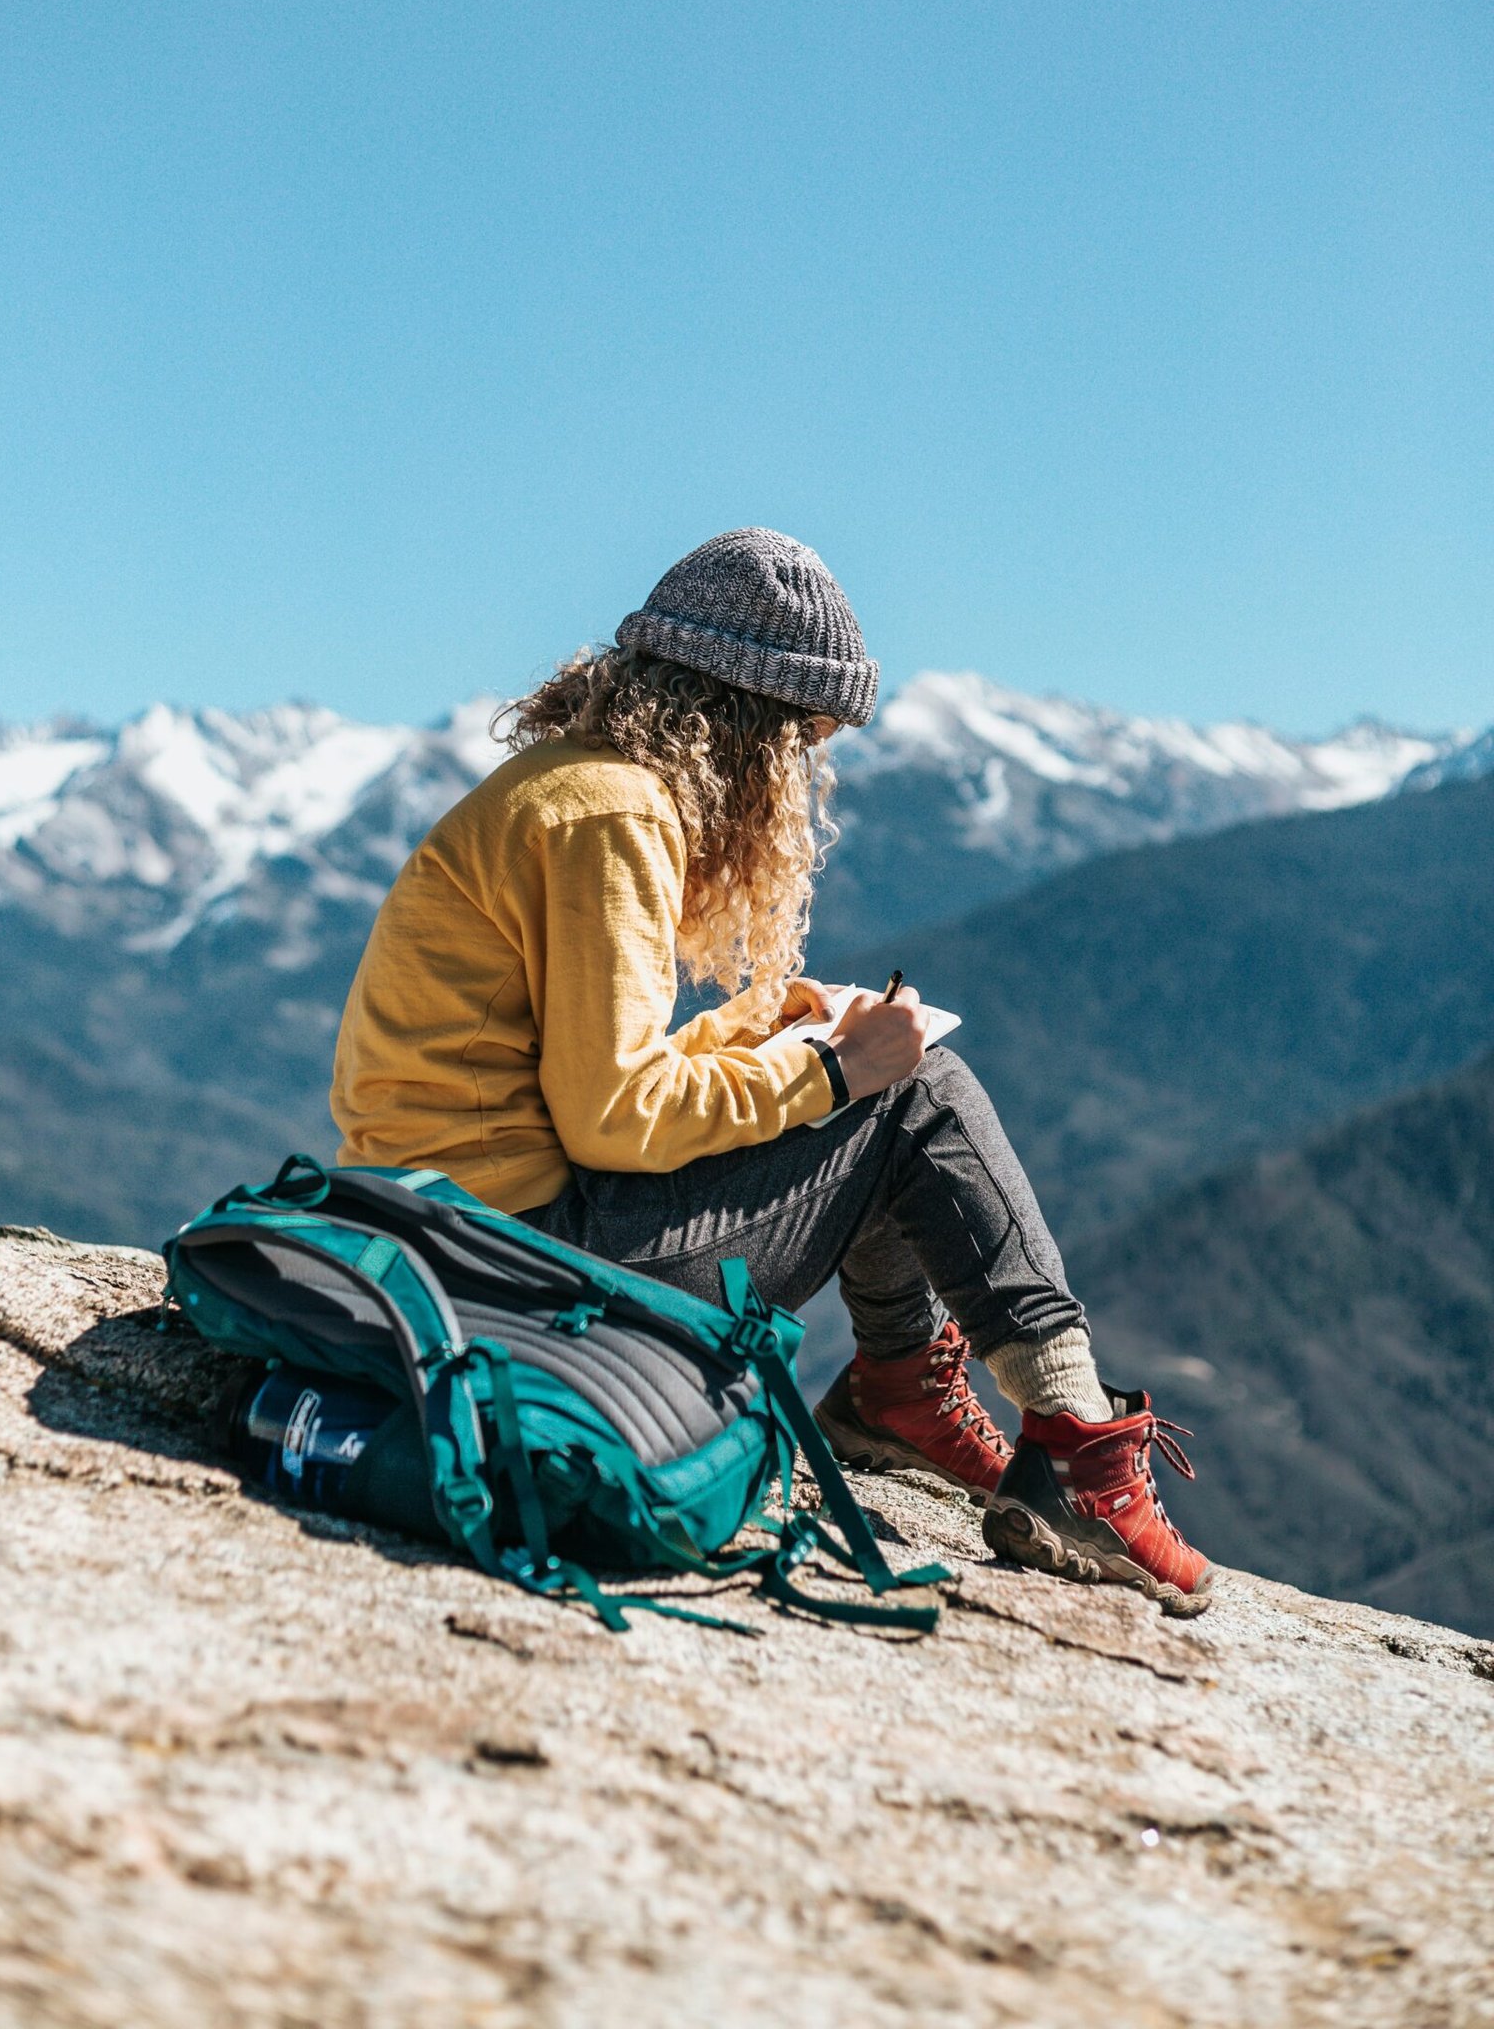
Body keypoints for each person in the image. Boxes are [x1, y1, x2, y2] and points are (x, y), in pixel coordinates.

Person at [331, 528, 1212, 1614]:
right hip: (519, 1261)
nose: (801, 772)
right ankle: (1077, 1448)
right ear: (745, 723)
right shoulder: (615, 815)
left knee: (888, 1081)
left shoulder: (563, 788)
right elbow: (612, 1119)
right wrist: (834, 1076)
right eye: (802, 740)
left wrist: (757, 1035)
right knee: (918, 1093)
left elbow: (560, 1079)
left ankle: (900, 1391)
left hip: (447, 1231)